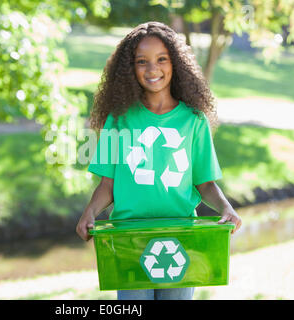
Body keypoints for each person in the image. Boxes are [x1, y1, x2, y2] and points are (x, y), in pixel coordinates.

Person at [76, 21, 242, 300]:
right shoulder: (118, 119)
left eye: (161, 59)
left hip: (179, 236)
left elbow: (204, 183)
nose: (152, 69)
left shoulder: (194, 120)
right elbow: (108, 184)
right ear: (130, 69)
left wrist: (226, 208)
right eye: (142, 61)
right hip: (128, 238)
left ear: (175, 63)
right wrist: (90, 211)